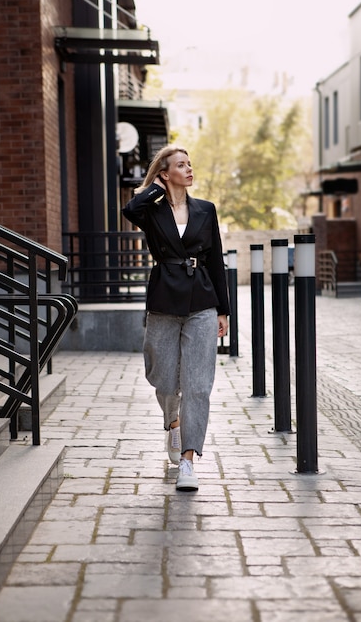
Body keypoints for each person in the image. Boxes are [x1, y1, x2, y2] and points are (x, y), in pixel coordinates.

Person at [123, 144, 229, 491]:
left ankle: (188, 460)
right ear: (166, 173)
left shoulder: (205, 210)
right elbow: (130, 208)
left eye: (189, 164)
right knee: (164, 378)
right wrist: (157, 185)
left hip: (202, 301)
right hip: (164, 301)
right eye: (180, 165)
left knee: (198, 385)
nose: (189, 169)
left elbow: (216, 262)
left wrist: (223, 310)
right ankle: (173, 423)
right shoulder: (152, 211)